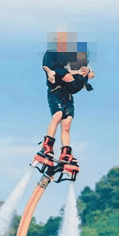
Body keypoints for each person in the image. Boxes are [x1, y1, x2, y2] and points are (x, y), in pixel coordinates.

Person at [36, 32, 95, 168]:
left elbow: (86, 70)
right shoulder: (52, 55)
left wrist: (87, 73)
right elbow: (49, 68)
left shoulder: (71, 58)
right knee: (57, 116)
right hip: (55, 92)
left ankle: (66, 152)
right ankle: (48, 145)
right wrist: (52, 74)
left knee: (67, 123)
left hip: (67, 95)